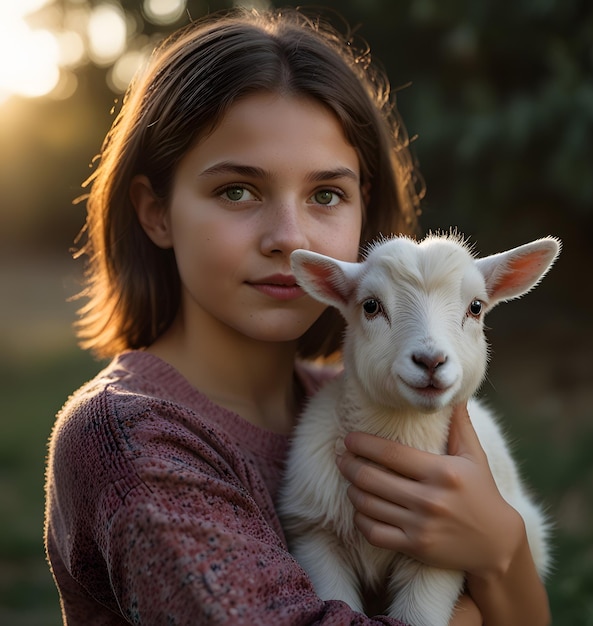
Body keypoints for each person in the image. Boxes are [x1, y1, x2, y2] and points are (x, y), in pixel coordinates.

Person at [44, 6, 550, 626]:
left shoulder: (333, 401)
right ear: (156, 212)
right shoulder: (132, 444)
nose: (288, 236)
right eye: (237, 190)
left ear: (365, 209)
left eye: (326, 195)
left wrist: (503, 550)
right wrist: (491, 588)